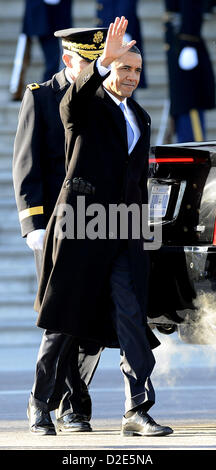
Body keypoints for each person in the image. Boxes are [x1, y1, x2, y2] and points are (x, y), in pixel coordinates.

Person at [34, 16, 173, 436]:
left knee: (132, 314)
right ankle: (41, 403)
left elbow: (137, 180)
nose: (130, 76)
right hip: (81, 224)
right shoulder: (85, 107)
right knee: (65, 319)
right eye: (123, 68)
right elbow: (71, 106)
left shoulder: (141, 117)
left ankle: (138, 409)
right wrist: (99, 64)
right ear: (108, 68)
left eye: (136, 70)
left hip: (126, 228)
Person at [13, 26, 108, 435]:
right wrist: (33, 223)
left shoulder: (104, 98)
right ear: (69, 60)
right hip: (53, 226)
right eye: (88, 62)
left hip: (98, 223)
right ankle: (47, 403)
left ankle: (71, 403)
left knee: (91, 323)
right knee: (61, 316)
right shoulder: (39, 96)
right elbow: (26, 165)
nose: (95, 69)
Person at [163, 0, 215, 143]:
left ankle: (192, 148)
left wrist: (189, 41)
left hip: (184, 39)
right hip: (176, 39)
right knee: (181, 101)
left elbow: (192, 5)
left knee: (189, 101)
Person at [10, 0, 73, 101]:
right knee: (24, 53)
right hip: (38, 9)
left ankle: (48, 93)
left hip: (58, 11)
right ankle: (17, 90)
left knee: (56, 59)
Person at [95, 0, 147, 88]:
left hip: (118, 33)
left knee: (124, 77)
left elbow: (126, 4)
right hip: (108, 31)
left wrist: (122, 32)